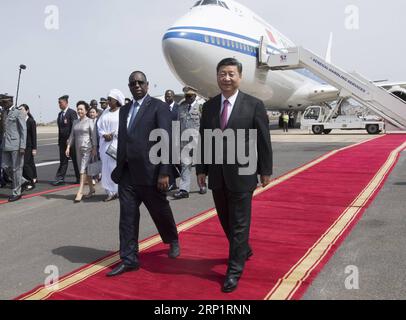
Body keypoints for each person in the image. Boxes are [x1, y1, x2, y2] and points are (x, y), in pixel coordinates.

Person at [196, 58, 273, 293]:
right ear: (217, 76)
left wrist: (265, 170)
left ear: (239, 77)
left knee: (239, 223)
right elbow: (204, 139)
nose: (226, 78)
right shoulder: (208, 107)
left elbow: (263, 140)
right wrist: (201, 168)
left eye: (231, 74)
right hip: (218, 175)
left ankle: (234, 270)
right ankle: (243, 249)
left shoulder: (254, 105)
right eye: (222, 74)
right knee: (224, 219)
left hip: (243, 173)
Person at [107, 70, 179, 277]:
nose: (137, 85)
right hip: (128, 173)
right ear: (129, 87)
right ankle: (129, 259)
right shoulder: (124, 110)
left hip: (152, 172)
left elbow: (166, 138)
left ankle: (172, 238)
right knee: (127, 217)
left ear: (147, 85)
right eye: (133, 83)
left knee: (159, 210)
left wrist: (165, 171)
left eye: (140, 82)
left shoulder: (159, 107)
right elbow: (124, 140)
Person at [173, 87, 205, 199]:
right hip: (184, 142)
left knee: (200, 165)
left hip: (197, 141)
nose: (187, 98)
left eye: (190, 96)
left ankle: (202, 185)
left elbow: (204, 124)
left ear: (195, 96)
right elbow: (177, 124)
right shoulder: (181, 108)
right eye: (186, 96)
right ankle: (184, 190)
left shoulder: (201, 107)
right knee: (185, 165)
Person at [65, 101, 98, 202]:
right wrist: (68, 147)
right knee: (84, 170)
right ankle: (92, 189)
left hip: (87, 149)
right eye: (78, 109)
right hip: (77, 149)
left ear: (86, 110)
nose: (79, 111)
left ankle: (80, 191)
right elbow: (72, 135)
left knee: (82, 170)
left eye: (81, 109)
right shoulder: (75, 122)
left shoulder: (90, 121)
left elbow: (94, 136)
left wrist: (94, 148)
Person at [97, 89, 124, 202]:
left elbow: (124, 126)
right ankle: (109, 191)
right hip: (105, 144)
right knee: (106, 169)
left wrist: (113, 135)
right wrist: (104, 134)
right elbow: (99, 126)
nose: (108, 101)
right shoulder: (105, 112)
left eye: (110, 99)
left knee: (115, 167)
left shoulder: (122, 112)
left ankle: (118, 190)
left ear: (116, 100)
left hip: (116, 144)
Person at [0, 95, 28, 202]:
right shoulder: (4, 112)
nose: (1, 104)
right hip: (5, 144)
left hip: (16, 145)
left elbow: (23, 129)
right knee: (5, 166)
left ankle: (17, 192)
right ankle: (23, 181)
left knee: (17, 169)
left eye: (2, 102)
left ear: (9, 101)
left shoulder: (18, 112)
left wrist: (22, 146)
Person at [53, 95, 80, 186]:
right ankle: (60, 178)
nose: (59, 104)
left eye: (60, 103)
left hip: (71, 142)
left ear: (66, 102)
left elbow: (74, 127)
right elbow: (60, 130)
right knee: (63, 161)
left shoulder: (71, 113)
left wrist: (71, 139)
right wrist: (60, 141)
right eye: (58, 103)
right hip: (62, 142)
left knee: (75, 161)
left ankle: (79, 178)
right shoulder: (60, 114)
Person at [164, 89, 180, 192]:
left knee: (179, 163)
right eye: (166, 96)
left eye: (169, 96)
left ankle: (184, 180)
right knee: (168, 162)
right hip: (166, 139)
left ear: (173, 97)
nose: (167, 98)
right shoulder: (162, 108)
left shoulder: (178, 108)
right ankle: (172, 183)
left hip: (177, 139)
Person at [21, 104, 38, 191]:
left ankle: (31, 181)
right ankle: (33, 178)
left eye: (22, 109)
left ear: (27, 111)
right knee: (30, 163)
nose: (21, 111)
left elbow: (34, 136)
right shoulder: (21, 120)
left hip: (29, 146)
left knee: (25, 164)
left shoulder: (31, 121)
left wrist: (34, 148)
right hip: (22, 146)